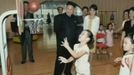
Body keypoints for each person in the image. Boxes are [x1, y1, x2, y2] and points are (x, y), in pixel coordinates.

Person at [53, 1, 78, 75]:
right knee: (60, 62)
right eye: (68, 8)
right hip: (62, 45)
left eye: (71, 9)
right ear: (65, 8)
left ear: (73, 10)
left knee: (69, 61)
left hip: (72, 45)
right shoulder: (58, 17)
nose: (69, 10)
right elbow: (56, 31)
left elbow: (76, 31)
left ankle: (67, 72)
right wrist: (64, 41)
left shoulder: (75, 18)